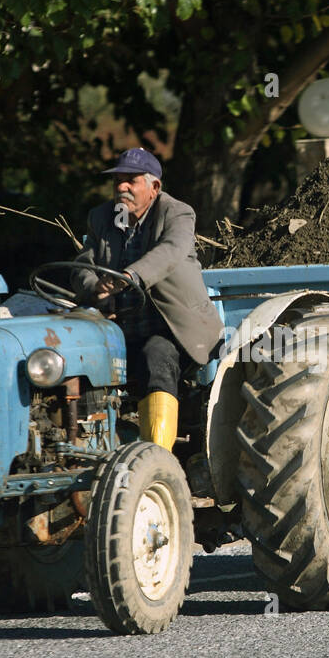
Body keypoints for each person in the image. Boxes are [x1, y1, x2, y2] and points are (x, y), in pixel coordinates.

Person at [71, 147, 224, 451]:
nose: (122, 187)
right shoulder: (102, 217)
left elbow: (170, 252)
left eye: (131, 180)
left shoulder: (177, 213)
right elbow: (82, 267)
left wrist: (129, 276)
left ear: (154, 187)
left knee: (156, 354)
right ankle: (84, 450)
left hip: (174, 329)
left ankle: (156, 459)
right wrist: (95, 286)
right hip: (119, 330)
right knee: (77, 358)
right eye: (118, 181)